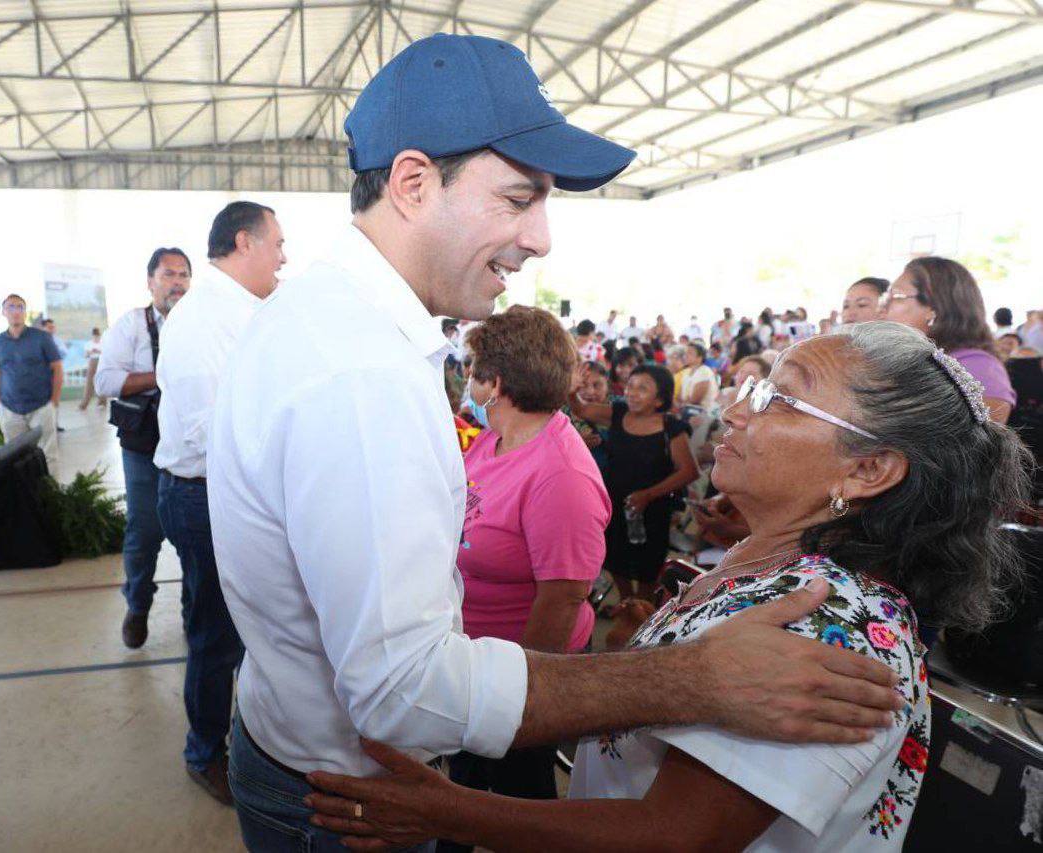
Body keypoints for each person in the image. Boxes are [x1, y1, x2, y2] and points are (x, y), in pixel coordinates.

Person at [207, 33, 901, 852]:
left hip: (289, 741)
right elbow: (401, 691)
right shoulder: (361, 372)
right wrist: (691, 678)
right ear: (414, 183)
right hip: (339, 797)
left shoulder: (323, 321)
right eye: (517, 197)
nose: (541, 236)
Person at [305, 322, 1031, 853]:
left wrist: (446, 810)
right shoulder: (756, 558)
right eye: (758, 386)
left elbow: (673, 836)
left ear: (869, 470)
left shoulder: (830, 620)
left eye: (783, 400)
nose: (739, 410)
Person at [443, 307, 611, 847]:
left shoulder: (559, 472)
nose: (467, 382)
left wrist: (523, 699)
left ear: (494, 383)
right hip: (474, 658)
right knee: (465, 785)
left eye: (472, 370)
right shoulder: (492, 441)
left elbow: (563, 597)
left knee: (519, 799)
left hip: (517, 673)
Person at [154, 202, 286, 805]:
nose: (284, 256)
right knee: (217, 635)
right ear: (244, 243)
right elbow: (212, 431)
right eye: (276, 243)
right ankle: (204, 752)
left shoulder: (244, 311)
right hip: (205, 495)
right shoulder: (203, 317)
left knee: (223, 626)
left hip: (226, 491)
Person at [95, 247, 192, 649]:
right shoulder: (131, 325)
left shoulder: (202, 323)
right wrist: (161, 375)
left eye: (184, 274)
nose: (177, 282)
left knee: (194, 534)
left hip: (190, 449)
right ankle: (137, 605)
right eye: (168, 274)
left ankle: (194, 613)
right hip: (144, 449)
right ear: (150, 281)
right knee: (145, 532)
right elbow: (105, 383)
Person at [570, 365, 698, 602]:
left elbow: (689, 471)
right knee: (616, 561)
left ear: (659, 399)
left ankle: (644, 610)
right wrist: (572, 389)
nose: (631, 392)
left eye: (642, 388)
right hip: (615, 503)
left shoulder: (671, 428)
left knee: (648, 569)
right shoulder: (617, 413)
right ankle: (627, 603)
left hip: (653, 511)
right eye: (630, 386)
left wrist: (648, 495)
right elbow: (581, 409)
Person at [881, 256, 1015, 424]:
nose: (884, 307)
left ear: (932, 307)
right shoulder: (912, 357)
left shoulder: (978, 368)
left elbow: (977, 445)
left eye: (897, 296)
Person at [0, 293, 62, 474]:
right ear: (4, 312)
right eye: (11, 307)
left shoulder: (42, 338)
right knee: (13, 459)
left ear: (25, 312)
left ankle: (51, 499)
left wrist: (54, 401)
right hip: (10, 409)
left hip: (41, 406)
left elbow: (57, 368)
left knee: (48, 456)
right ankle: (20, 500)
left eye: (20, 307)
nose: (16, 311)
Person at [679, 342, 719, 414]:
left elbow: (694, 401)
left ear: (699, 358)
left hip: (703, 413)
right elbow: (680, 396)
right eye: (685, 353)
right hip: (687, 409)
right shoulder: (687, 372)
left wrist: (680, 405)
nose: (686, 356)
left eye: (690, 353)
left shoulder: (704, 372)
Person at [78, 327, 106, 411]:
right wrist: (91, 352)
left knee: (101, 382)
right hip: (92, 362)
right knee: (89, 384)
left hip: (101, 362)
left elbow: (106, 353)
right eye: (95, 336)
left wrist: (99, 351)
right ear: (92, 336)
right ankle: (84, 405)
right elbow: (86, 355)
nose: (96, 338)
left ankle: (102, 403)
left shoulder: (103, 343)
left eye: (97, 336)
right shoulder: (88, 344)